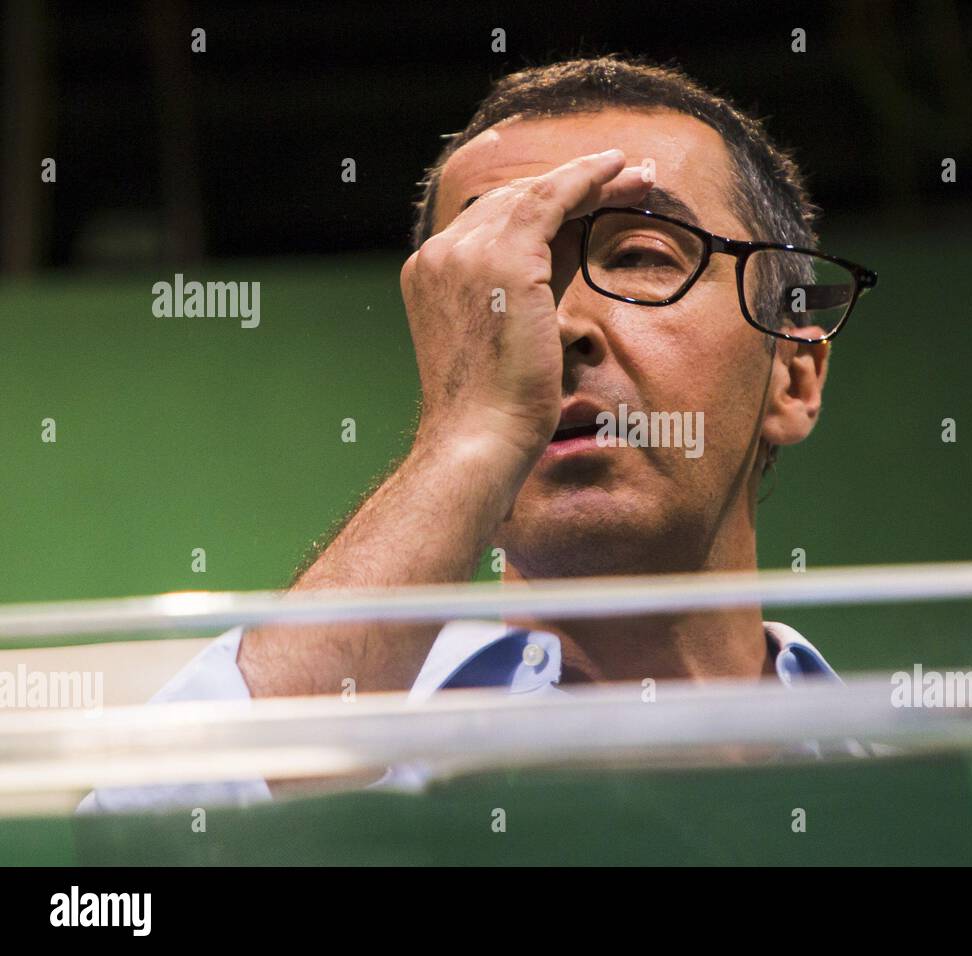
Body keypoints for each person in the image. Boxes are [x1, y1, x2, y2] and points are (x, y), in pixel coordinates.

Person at [81, 56, 878, 812]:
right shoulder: (357, 753)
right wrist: (468, 443)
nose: (554, 323)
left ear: (793, 375)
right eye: (495, 276)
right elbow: (133, 861)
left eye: (640, 255)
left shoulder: (911, 775)